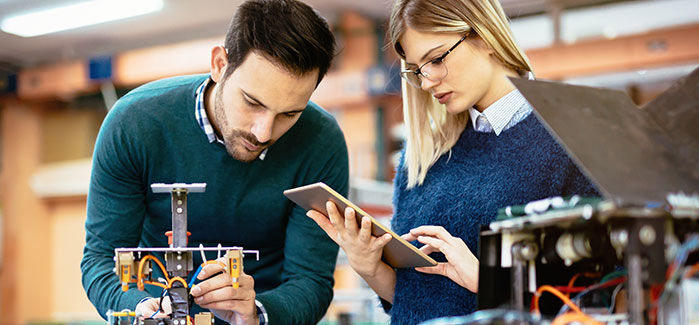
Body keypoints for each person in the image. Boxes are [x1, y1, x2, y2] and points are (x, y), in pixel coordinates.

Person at [306, 0, 599, 323]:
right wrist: (369, 266)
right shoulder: (420, 159)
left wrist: (489, 281)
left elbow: (601, 290)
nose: (427, 81)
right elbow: (411, 297)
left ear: (484, 37)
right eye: (417, 70)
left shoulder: (570, 140)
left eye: (436, 59)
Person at [80, 1, 348, 324]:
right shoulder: (134, 124)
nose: (263, 132)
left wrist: (257, 313)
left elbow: (311, 281)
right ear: (220, 64)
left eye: (289, 114)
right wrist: (141, 309)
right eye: (252, 102)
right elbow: (101, 261)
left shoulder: (321, 142)